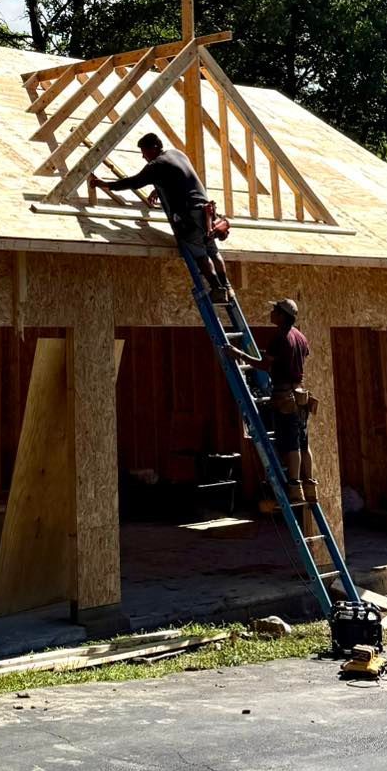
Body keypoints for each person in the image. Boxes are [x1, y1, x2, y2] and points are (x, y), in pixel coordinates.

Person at [103, 132, 230, 299]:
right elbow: (181, 177)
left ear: (154, 148)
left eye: (144, 151)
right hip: (206, 212)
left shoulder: (157, 164)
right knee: (213, 251)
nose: (143, 156)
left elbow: (134, 182)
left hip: (189, 215)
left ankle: (217, 288)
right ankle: (226, 286)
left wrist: (106, 185)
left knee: (200, 255)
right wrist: (159, 188)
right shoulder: (176, 154)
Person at [248, 298, 318, 509]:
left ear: (282, 315)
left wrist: (238, 355)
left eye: (274, 310)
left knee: (291, 444)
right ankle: (310, 485)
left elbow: (263, 365)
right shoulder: (300, 336)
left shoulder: (279, 338)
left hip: (285, 395)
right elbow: (299, 355)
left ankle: (295, 488)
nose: (271, 313)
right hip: (299, 395)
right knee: (303, 442)